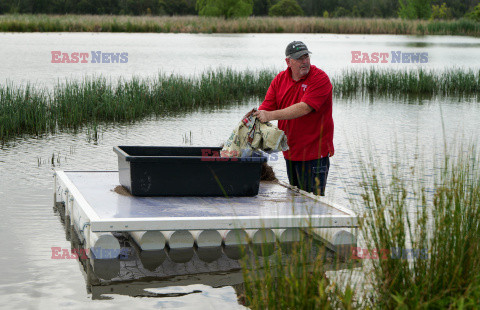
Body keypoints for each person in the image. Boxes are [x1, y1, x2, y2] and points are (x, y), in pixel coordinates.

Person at [253, 41, 334, 196]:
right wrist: (249, 122)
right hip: (290, 152)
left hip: (315, 155)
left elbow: (304, 108)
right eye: (299, 58)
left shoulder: (320, 79)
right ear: (288, 62)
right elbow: (265, 108)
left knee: (313, 205)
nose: (304, 61)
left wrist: (270, 116)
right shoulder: (279, 80)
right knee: (296, 201)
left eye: (306, 57)